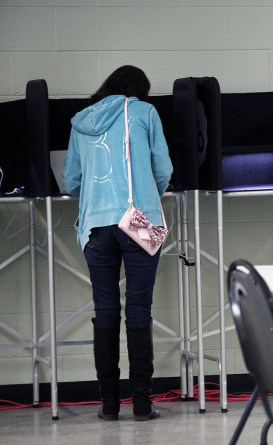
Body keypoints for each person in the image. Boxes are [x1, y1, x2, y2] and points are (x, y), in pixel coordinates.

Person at [62, 65, 173, 421]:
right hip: (138, 221)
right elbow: (163, 169)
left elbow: (71, 181)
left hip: (96, 226)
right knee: (139, 310)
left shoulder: (81, 121)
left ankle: (108, 405)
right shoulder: (144, 112)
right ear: (137, 90)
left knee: (106, 311)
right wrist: (147, 190)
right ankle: (142, 404)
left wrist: (97, 196)